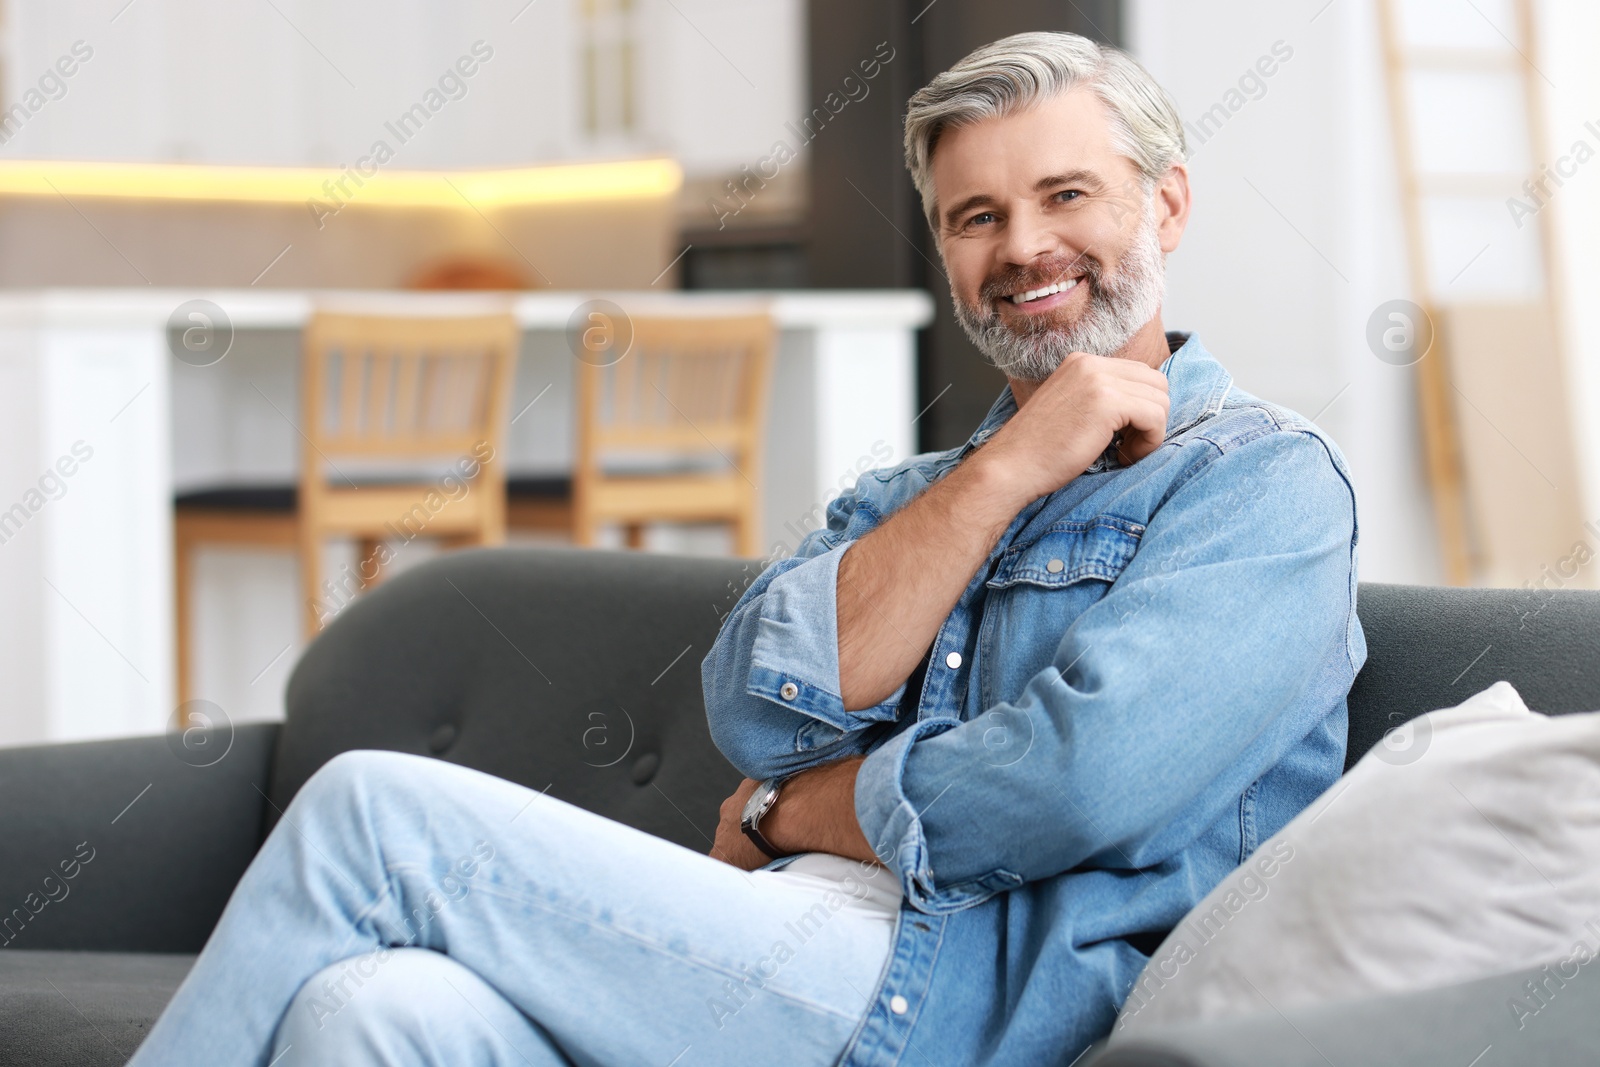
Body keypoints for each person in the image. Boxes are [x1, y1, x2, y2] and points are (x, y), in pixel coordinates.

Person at [127, 30, 1364, 1067]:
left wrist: (793, 812)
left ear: (1168, 202)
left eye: (1066, 195)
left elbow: (1074, 783)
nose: (1023, 246)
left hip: (970, 994)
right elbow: (755, 707)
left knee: (370, 812)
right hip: (784, 941)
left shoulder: (1260, 482)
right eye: (976, 216)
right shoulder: (916, 491)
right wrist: (1006, 467)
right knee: (373, 1011)